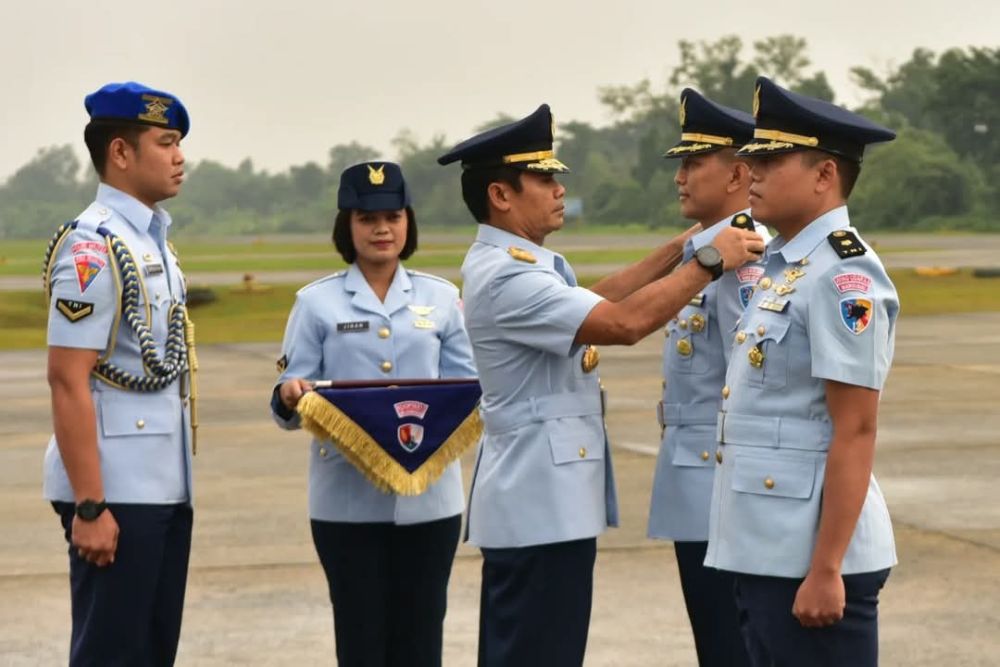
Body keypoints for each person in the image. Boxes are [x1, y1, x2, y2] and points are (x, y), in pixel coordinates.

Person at [436, 104, 765, 666]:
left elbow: (601, 297)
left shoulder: (520, 263)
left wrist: (684, 246)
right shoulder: (508, 275)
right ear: (501, 195)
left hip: (547, 501)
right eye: (544, 178)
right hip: (537, 503)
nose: (560, 189)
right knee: (534, 652)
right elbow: (622, 323)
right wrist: (708, 259)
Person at [706, 76, 899, 666]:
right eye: (752, 159)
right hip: (766, 549)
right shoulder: (785, 267)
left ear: (825, 175)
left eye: (772, 159)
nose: (753, 173)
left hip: (809, 562)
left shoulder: (845, 278)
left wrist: (827, 568)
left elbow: (856, 428)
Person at [270, 161, 476, 667]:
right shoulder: (316, 303)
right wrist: (289, 396)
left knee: (422, 636)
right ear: (348, 226)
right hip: (346, 503)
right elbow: (288, 398)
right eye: (367, 218)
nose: (382, 229)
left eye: (393, 216)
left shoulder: (443, 298)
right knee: (360, 638)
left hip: (431, 502)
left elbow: (468, 389)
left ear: (408, 222)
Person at [42, 81, 195, 666]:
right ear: (121, 154)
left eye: (178, 142)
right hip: (115, 490)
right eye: (166, 142)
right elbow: (66, 377)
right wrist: (88, 505)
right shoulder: (92, 247)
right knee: (112, 652)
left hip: (163, 484)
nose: (179, 156)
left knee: (152, 651)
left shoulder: (151, 241)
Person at [648, 88, 768, 667]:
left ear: (738, 174)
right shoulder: (704, 253)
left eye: (694, 163)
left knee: (731, 644)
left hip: (723, 490)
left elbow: (756, 383)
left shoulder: (743, 257)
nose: (681, 177)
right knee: (716, 641)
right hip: (697, 482)